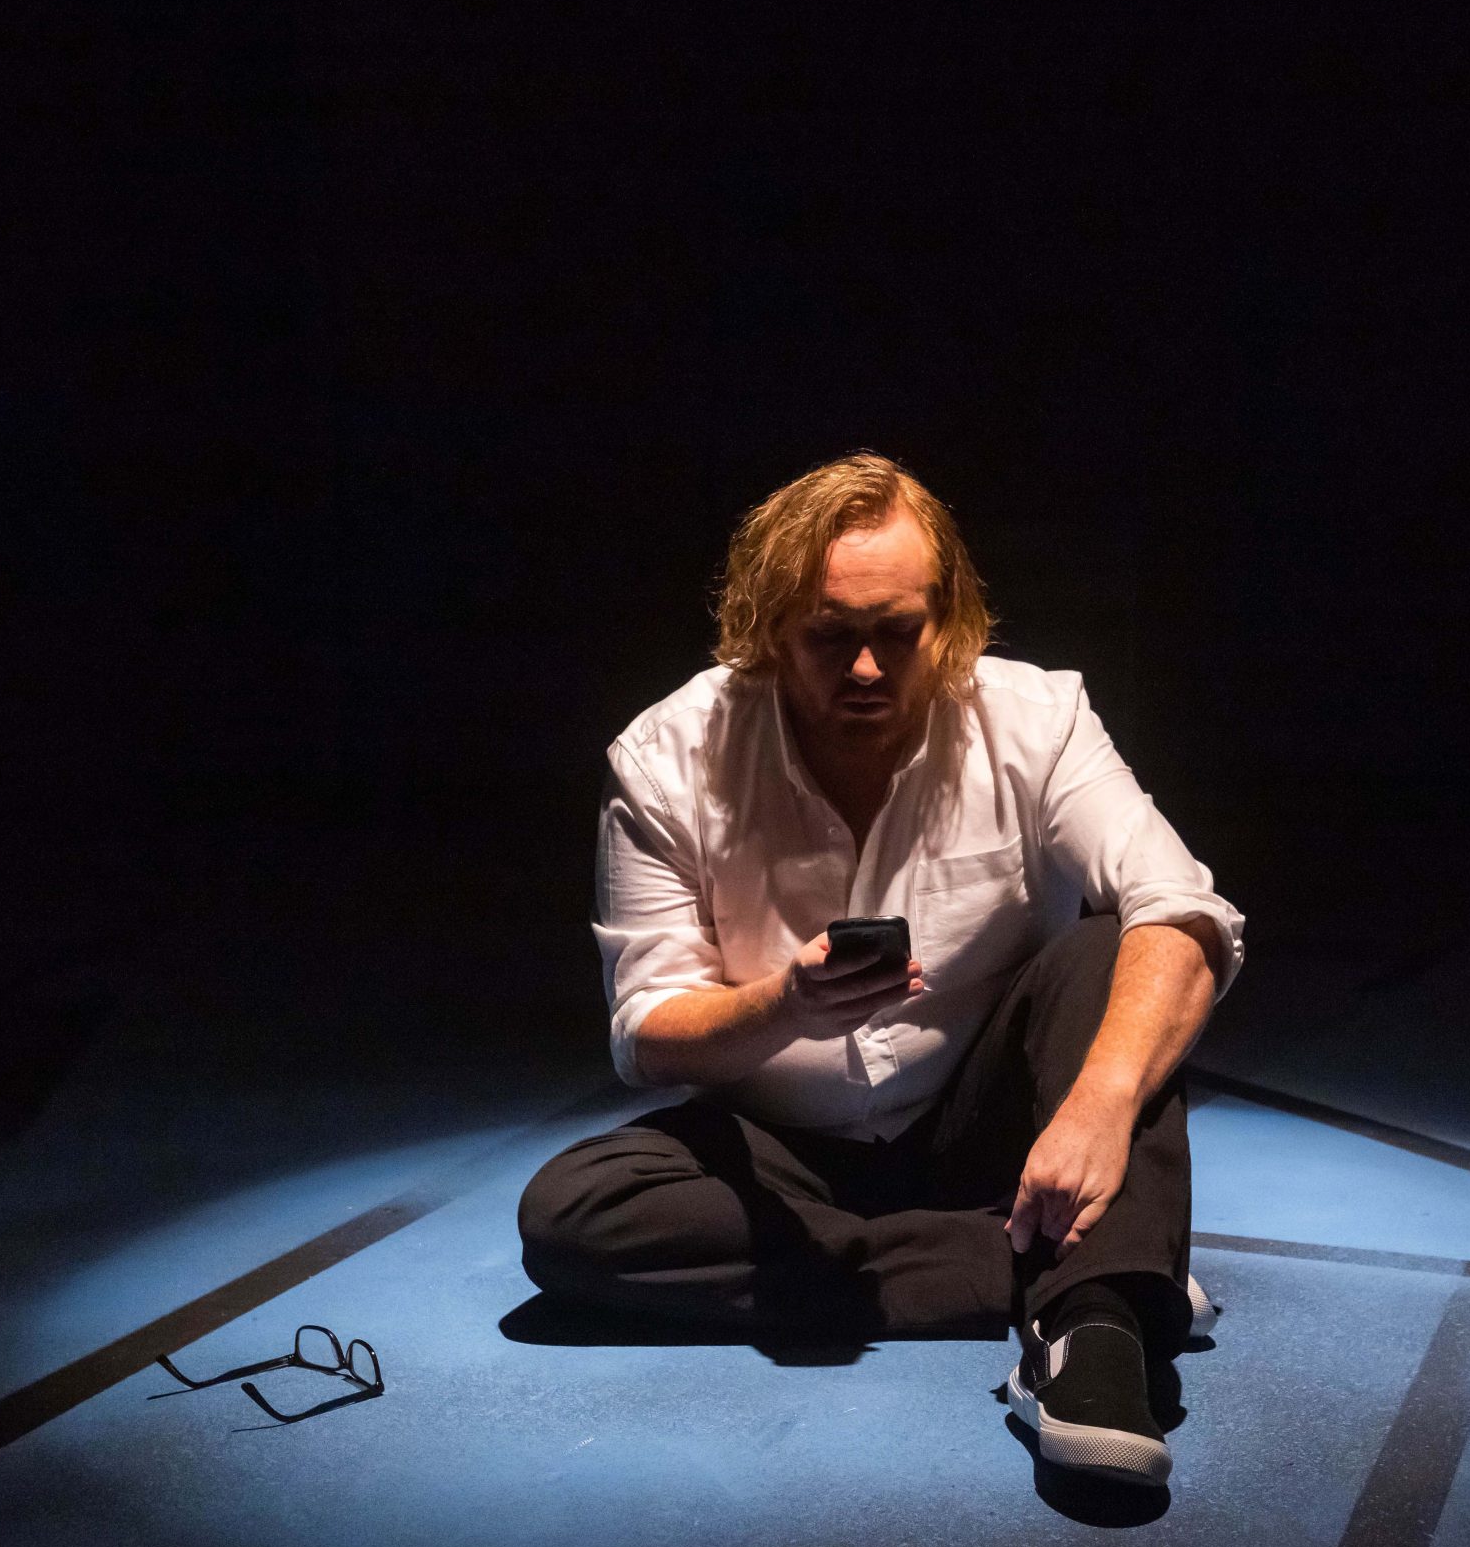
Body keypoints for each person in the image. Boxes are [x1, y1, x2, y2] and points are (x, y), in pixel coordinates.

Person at [518, 452, 1244, 1485]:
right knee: (572, 1214)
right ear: (771, 628)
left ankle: (1093, 1324)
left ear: (948, 621)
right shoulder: (665, 758)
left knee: (1108, 953)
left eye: (897, 632)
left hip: (987, 1124)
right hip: (782, 1150)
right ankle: (1083, 1266)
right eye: (830, 635)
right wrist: (784, 1005)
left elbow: (1186, 909)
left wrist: (1098, 1105)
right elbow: (646, 1029)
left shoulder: (1036, 721)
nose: (865, 668)